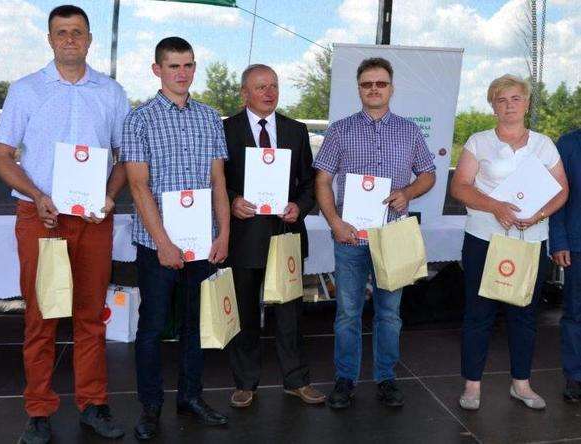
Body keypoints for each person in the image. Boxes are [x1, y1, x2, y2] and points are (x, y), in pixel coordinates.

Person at [0, 5, 128, 443]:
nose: (70, 39)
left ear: (89, 40)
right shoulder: (26, 90)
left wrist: (110, 195)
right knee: (41, 316)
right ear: (50, 39)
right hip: (42, 217)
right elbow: (1, 155)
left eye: (77, 32)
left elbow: (124, 157)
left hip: (92, 218)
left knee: (91, 315)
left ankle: (93, 404)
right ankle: (39, 410)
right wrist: (37, 195)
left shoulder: (111, 92)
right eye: (62, 32)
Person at [121, 37, 230, 441]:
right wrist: (163, 242)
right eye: (173, 66)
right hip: (157, 246)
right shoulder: (139, 119)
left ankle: (191, 398)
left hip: (202, 243)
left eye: (188, 65)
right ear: (157, 70)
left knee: (195, 326)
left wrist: (224, 233)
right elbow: (138, 186)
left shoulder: (210, 117)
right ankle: (150, 407)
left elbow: (218, 181)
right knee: (151, 328)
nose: (182, 73)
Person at [314, 57, 436, 409]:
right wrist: (335, 223)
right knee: (347, 314)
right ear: (359, 89)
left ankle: (386, 378)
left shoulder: (409, 131)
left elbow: (428, 174)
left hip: (392, 236)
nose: (374, 89)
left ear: (391, 88)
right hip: (351, 237)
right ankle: (345, 379)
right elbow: (322, 179)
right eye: (367, 84)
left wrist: (408, 192)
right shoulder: (340, 130)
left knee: (389, 314)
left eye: (380, 83)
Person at [451, 74, 568, 410]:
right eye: (501, 100)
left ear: (527, 103)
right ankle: (472, 385)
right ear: (493, 107)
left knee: (525, 314)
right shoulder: (478, 142)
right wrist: (495, 206)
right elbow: (459, 187)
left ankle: (522, 384)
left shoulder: (544, 145)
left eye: (516, 98)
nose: (509, 106)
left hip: (530, 241)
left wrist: (539, 215)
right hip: (484, 239)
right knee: (479, 314)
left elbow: (562, 190)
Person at [222, 64, 325, 408]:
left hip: (286, 234)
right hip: (243, 237)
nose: (269, 93)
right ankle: (245, 383)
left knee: (290, 314)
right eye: (261, 87)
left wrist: (300, 206)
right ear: (244, 93)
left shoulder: (296, 130)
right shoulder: (225, 130)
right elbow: (215, 181)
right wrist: (232, 201)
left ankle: (297, 381)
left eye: (274, 86)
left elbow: (309, 183)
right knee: (245, 313)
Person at [549, 129, 581, 402]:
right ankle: (575, 377)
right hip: (578, 243)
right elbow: (557, 195)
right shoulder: (569, 144)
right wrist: (559, 241)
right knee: (575, 313)